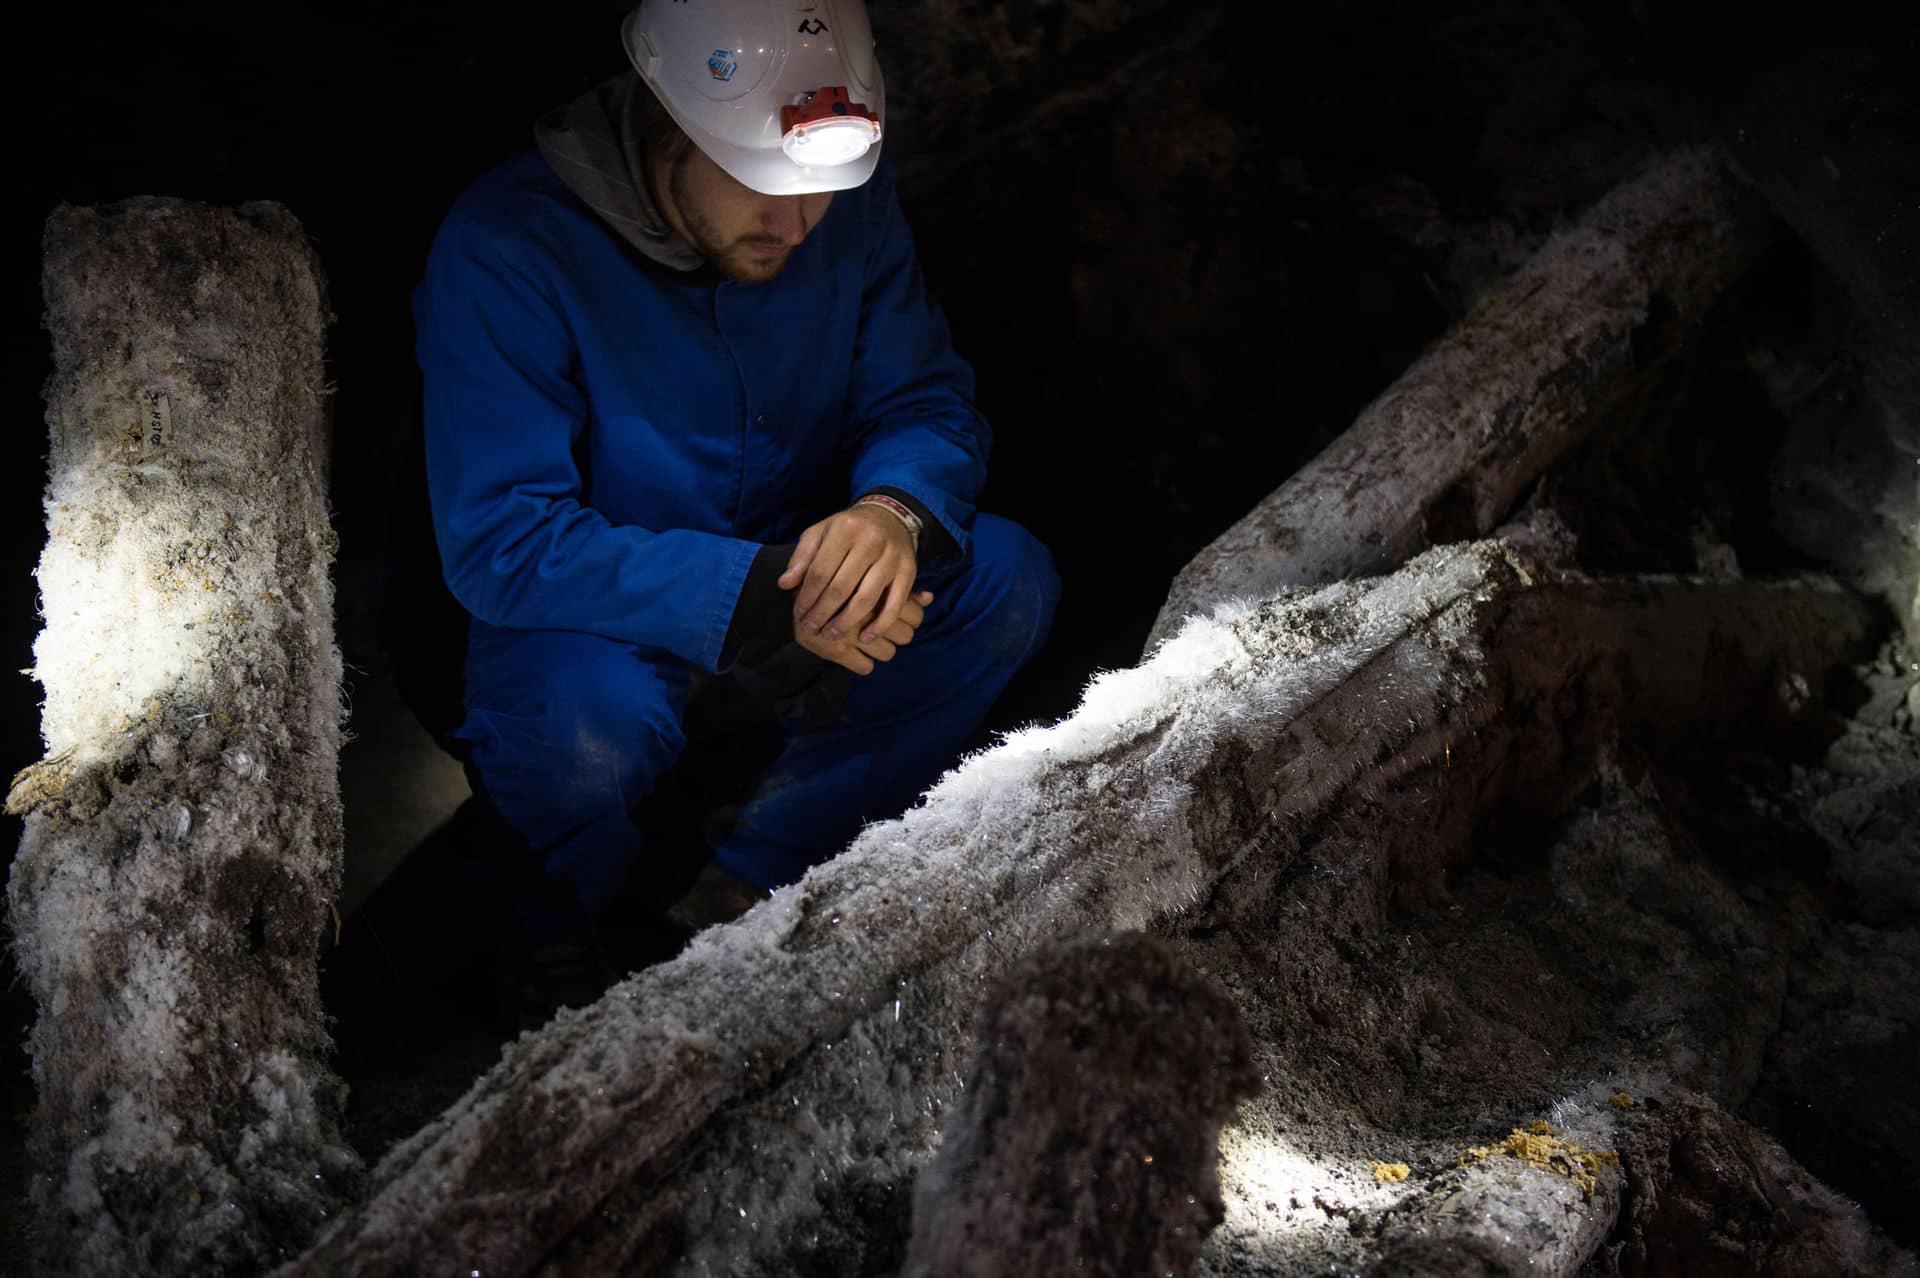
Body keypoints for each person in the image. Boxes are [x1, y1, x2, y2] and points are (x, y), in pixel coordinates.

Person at [410, 0, 1059, 969]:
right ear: (671, 125)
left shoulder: (844, 209)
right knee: (584, 736)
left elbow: (922, 398)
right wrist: (759, 598)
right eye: (759, 182)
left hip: (797, 600)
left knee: (1006, 579)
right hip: (604, 630)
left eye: (820, 188)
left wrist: (894, 513)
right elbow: (504, 539)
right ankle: (561, 936)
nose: (797, 223)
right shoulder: (506, 251)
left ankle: (746, 880)